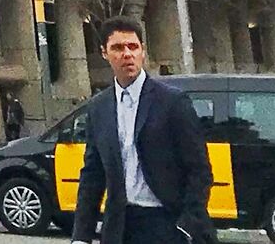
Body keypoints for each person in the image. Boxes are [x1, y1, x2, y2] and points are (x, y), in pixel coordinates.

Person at [72, 16, 214, 244]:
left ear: (142, 51)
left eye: (133, 47)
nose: (127, 54)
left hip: (166, 222)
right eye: (118, 48)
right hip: (120, 226)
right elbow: (92, 174)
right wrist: (81, 235)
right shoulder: (99, 107)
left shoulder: (172, 102)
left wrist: (188, 225)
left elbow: (199, 169)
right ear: (104, 53)